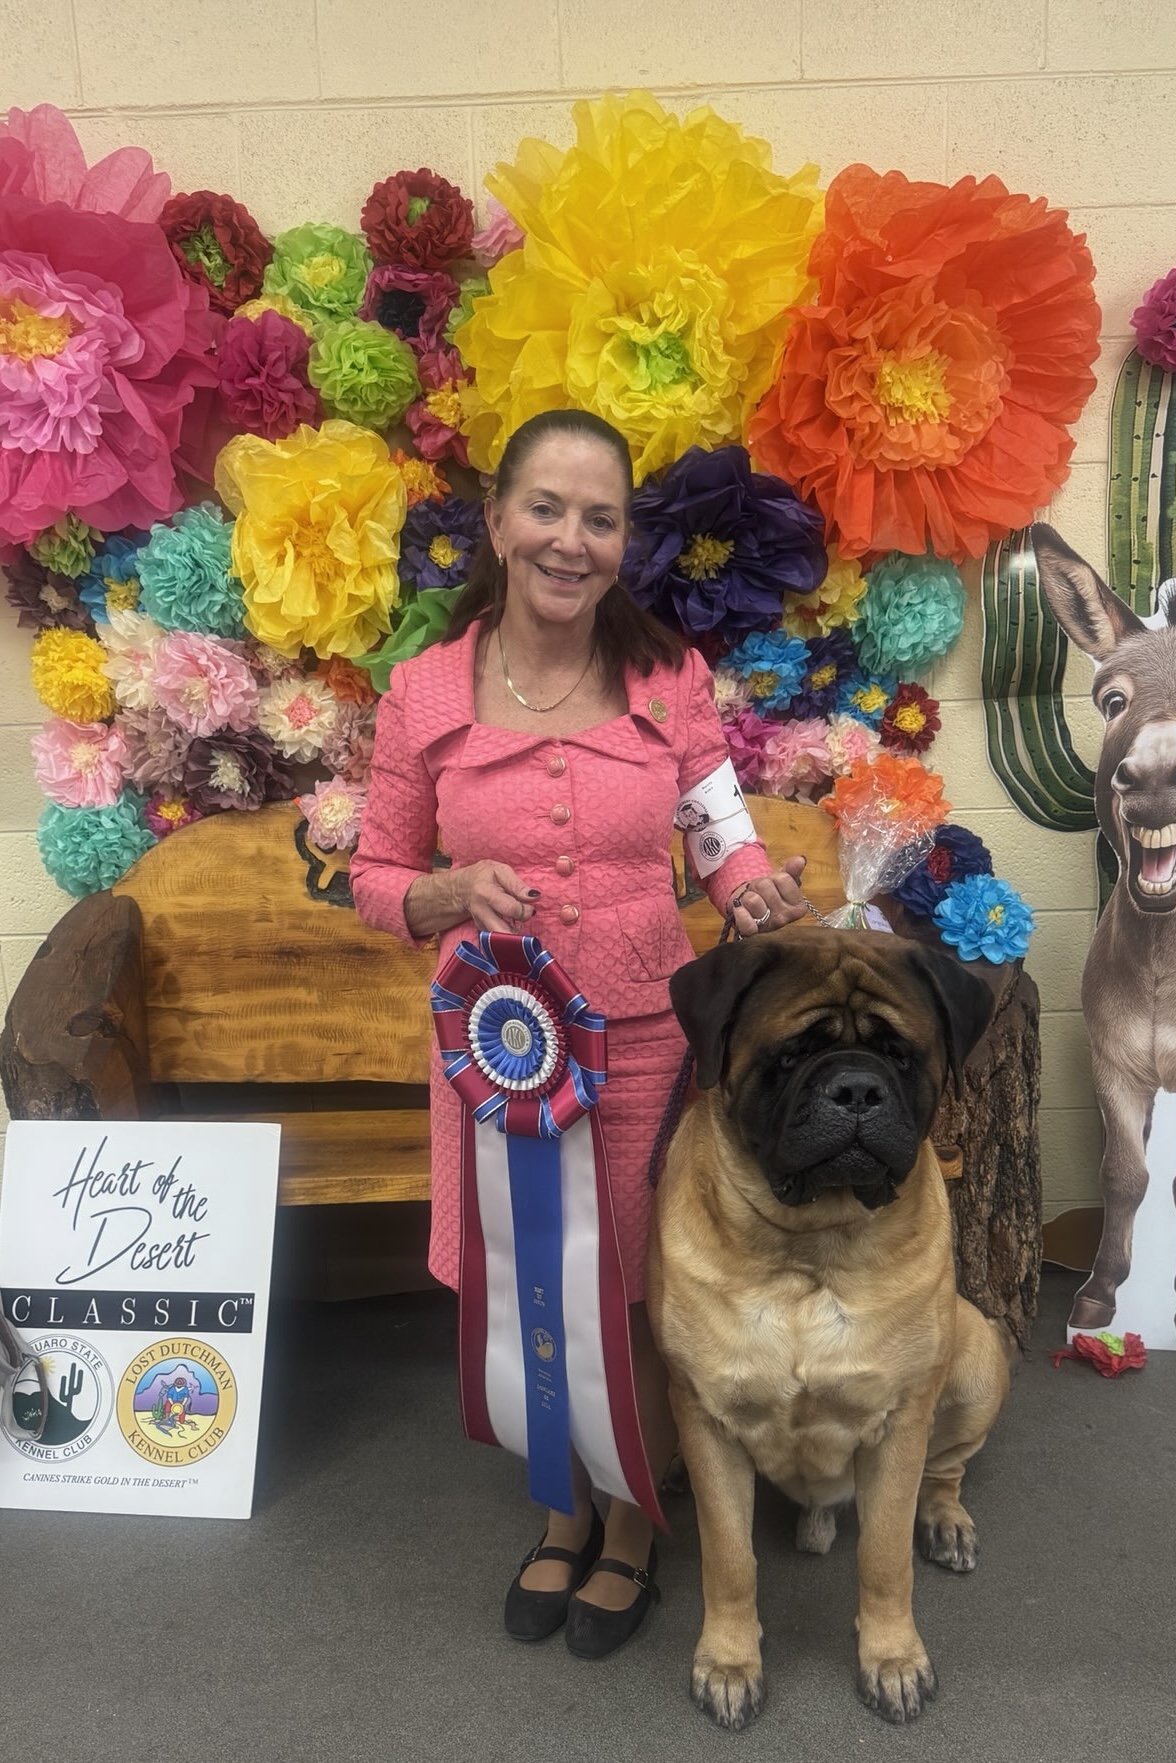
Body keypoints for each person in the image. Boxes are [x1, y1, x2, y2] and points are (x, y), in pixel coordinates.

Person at [350, 408, 806, 1658]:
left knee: (638, 1287)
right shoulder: (422, 692)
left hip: (646, 1038)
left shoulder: (670, 677)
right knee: (534, 1278)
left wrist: (749, 892)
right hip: (497, 1051)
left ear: (623, 542)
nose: (569, 538)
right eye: (545, 508)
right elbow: (376, 874)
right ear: (496, 521)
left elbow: (718, 835)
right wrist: (444, 891)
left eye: (599, 518)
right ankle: (560, 1509)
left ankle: (631, 1524)